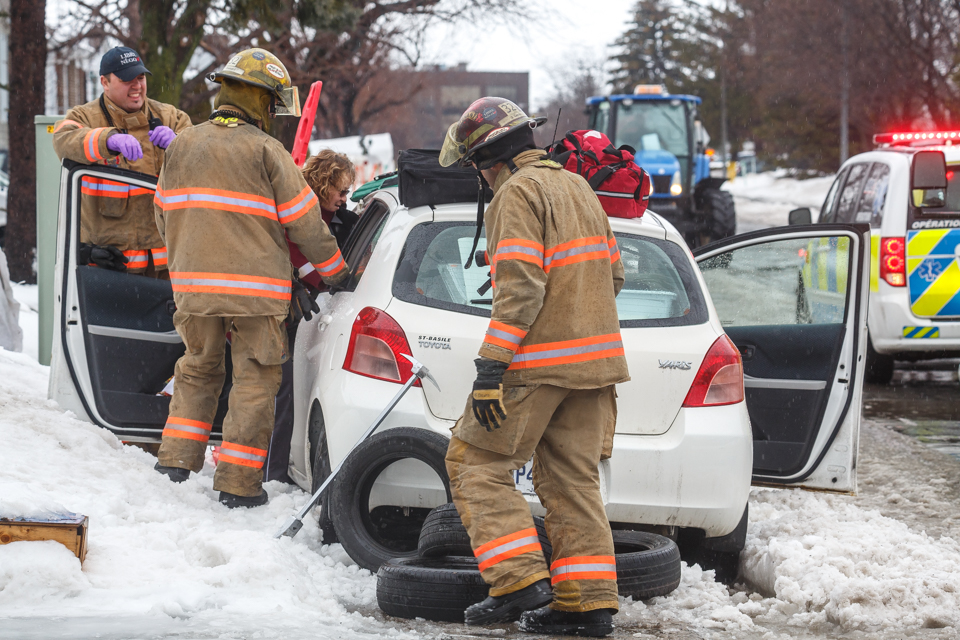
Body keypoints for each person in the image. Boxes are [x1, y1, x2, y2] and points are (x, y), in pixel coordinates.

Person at [439, 97, 629, 638]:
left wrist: (491, 368)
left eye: (477, 166)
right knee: (574, 482)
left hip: (537, 367)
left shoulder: (515, 193)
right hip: (596, 369)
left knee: (473, 464)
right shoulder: (578, 186)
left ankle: (518, 580)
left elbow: (520, 289)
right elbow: (613, 277)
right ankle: (587, 606)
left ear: (486, 160)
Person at [151, 48, 350, 509]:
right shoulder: (267, 151)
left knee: (197, 370)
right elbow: (306, 224)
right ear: (261, 99)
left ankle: (174, 464)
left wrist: (186, 264)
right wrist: (337, 272)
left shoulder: (181, 144)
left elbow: (162, 214)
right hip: (255, 296)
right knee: (255, 382)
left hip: (193, 291)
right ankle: (238, 486)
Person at [53, 46, 192, 277]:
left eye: (140, 77)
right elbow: (63, 139)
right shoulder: (84, 117)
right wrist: (108, 140)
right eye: (127, 79)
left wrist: (180, 143)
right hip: (112, 268)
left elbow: (204, 160)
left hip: (167, 269)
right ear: (105, 82)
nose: (137, 86)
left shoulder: (170, 116)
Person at [264, 150, 358, 485]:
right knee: (278, 393)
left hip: (294, 312)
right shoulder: (298, 213)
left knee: (279, 393)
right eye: (341, 191)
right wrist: (318, 279)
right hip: (278, 311)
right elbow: (294, 255)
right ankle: (271, 475)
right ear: (324, 183)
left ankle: (271, 471)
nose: (345, 199)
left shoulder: (332, 216)